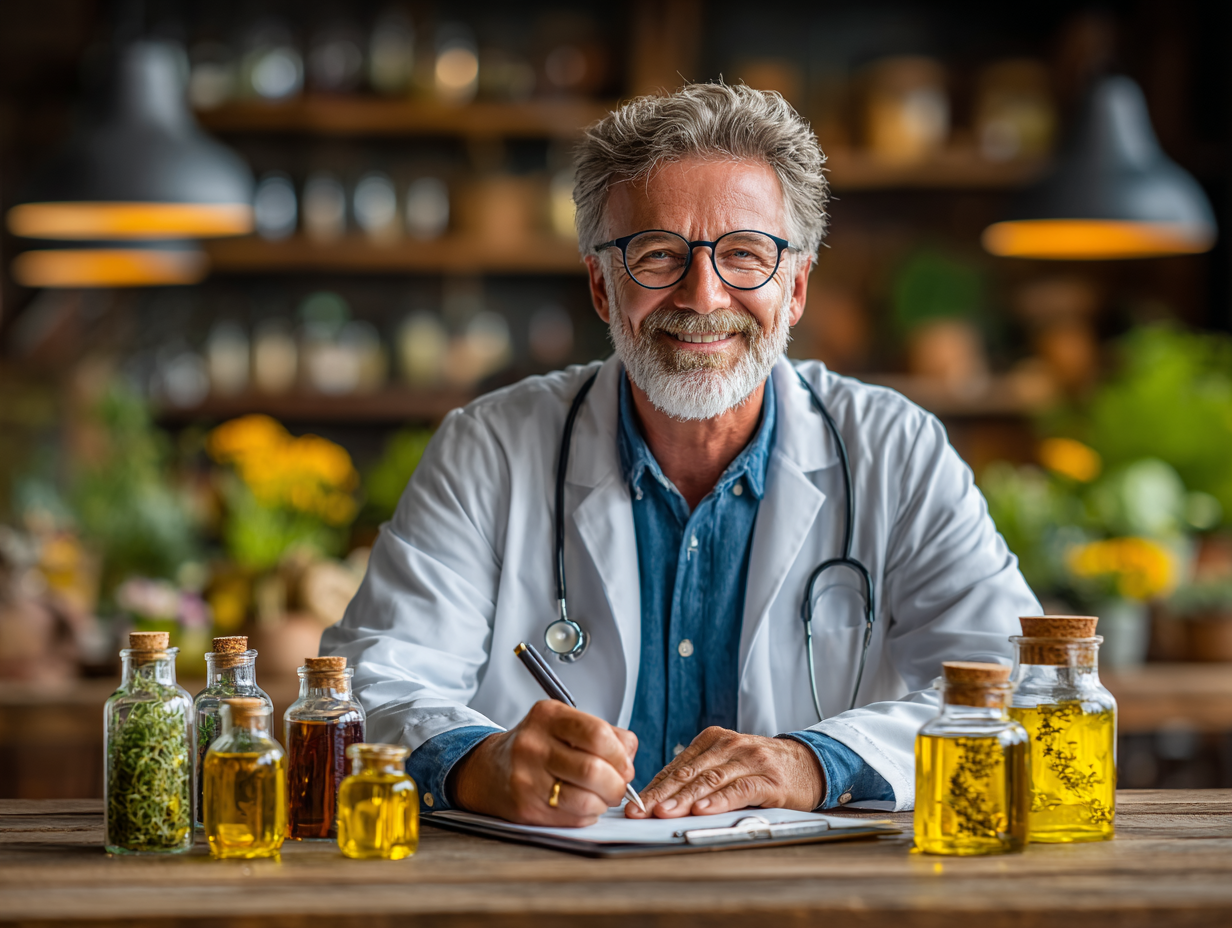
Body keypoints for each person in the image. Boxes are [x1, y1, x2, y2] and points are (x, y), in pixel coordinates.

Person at [322, 83, 1039, 827]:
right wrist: (478, 762)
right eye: (658, 254)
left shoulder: (896, 448)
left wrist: (817, 762)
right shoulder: (490, 447)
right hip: (549, 891)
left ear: (795, 288)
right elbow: (370, 684)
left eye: (745, 255)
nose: (702, 296)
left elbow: (1019, 686)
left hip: (812, 894)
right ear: (602, 286)